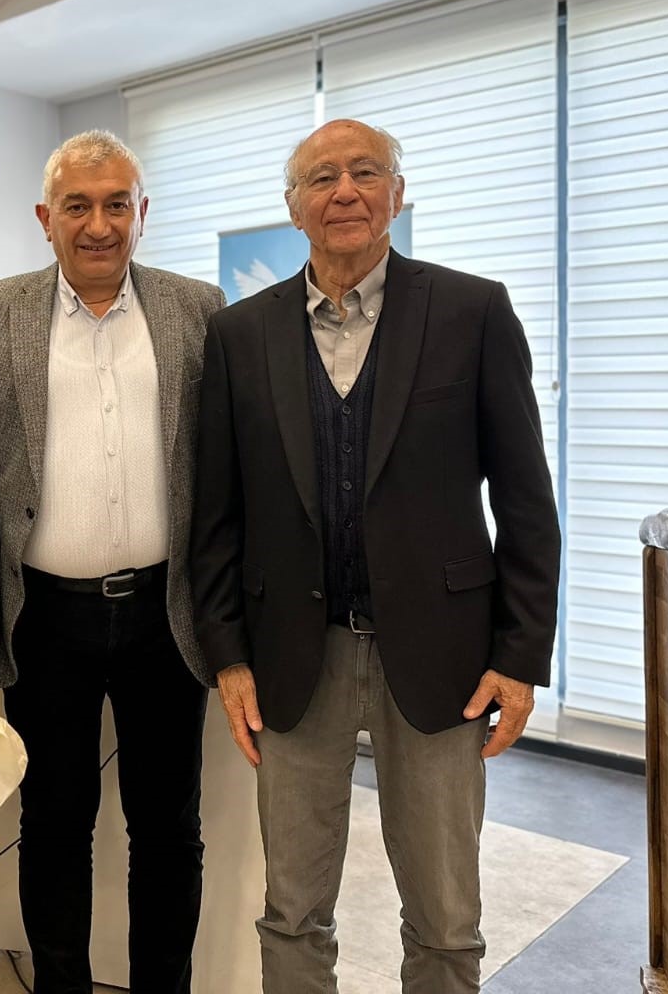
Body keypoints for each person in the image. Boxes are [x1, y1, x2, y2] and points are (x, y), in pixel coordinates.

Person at [190, 118, 561, 993]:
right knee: (292, 912)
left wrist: (519, 657)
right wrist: (229, 656)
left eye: (366, 172)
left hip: (441, 658)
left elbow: (525, 500)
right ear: (294, 208)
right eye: (322, 178)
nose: (345, 191)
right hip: (293, 659)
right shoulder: (239, 335)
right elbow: (217, 513)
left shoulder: (472, 312)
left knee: (445, 920)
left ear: (398, 193)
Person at [0, 130, 224, 994]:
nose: (98, 224)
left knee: (168, 829)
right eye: (78, 205)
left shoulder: (199, 309)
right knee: (54, 823)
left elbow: (226, 467)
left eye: (116, 205)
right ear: (46, 218)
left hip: (165, 614)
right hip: (43, 619)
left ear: (143, 213)